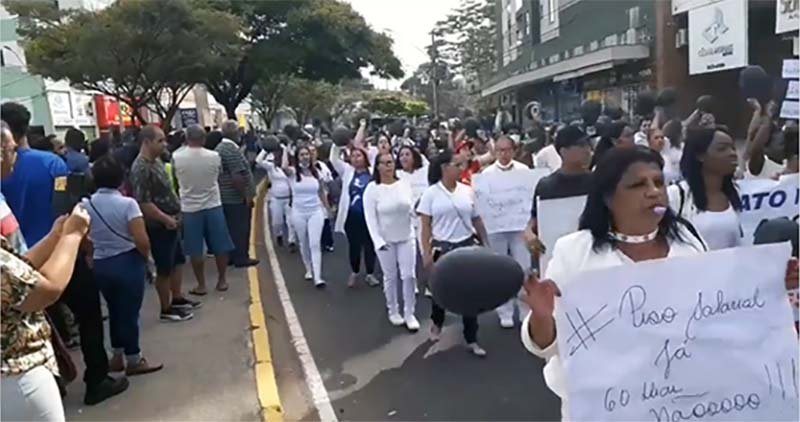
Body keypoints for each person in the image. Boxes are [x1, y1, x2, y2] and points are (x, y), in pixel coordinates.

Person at [520, 147, 713, 420]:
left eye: (659, 182)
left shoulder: (689, 241)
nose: (654, 192)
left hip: (682, 403)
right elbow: (545, 345)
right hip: (603, 408)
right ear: (608, 198)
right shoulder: (574, 252)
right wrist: (542, 315)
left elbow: (717, 311)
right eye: (638, 185)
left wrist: (775, 284)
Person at [2, 104, 126, 405]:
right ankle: (96, 378)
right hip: (55, 258)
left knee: (43, 326)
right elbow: (69, 208)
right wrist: (78, 241)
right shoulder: (50, 164)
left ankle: (54, 382)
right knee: (88, 317)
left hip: (22, 259)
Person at [84, 156, 162, 375]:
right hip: (127, 261)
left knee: (114, 310)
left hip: (101, 264)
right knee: (129, 313)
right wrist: (148, 260)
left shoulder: (85, 205)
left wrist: (91, 255)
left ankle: (117, 355)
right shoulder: (128, 204)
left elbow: (83, 237)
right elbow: (141, 239)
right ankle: (134, 358)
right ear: (121, 179)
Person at [417, 149, 490, 357]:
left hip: (466, 246)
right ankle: (437, 322)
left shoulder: (467, 190)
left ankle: (471, 337)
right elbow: (425, 226)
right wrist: (426, 252)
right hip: (443, 248)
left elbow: (476, 219)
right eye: (457, 165)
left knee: (469, 294)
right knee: (440, 292)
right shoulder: (431, 194)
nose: (461, 169)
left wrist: (485, 242)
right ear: (444, 168)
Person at [130, 125, 198, 322]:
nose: (164, 144)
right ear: (146, 142)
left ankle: (176, 298)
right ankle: (165, 307)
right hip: (159, 225)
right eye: (159, 141)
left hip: (172, 220)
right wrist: (165, 218)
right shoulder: (141, 168)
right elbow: (144, 202)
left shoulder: (157, 161)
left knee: (177, 261)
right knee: (164, 267)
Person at [172, 125, 234, 294]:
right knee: (220, 245)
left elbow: (176, 181)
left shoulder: (176, 157)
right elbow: (218, 175)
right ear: (204, 138)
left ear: (186, 137)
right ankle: (222, 280)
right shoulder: (214, 156)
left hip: (190, 207)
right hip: (213, 204)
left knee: (195, 249)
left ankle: (201, 284)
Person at [363, 152, 420, 331]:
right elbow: (370, 219)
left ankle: (409, 313)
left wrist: (417, 212)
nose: (388, 166)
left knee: (409, 276)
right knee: (390, 277)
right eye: (384, 163)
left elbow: (410, 209)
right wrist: (378, 241)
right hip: (385, 240)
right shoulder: (372, 189)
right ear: (377, 166)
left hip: (406, 236)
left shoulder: (404, 184)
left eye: (391, 163)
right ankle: (393, 310)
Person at [481, 136, 530, 328]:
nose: (503, 154)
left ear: (514, 150)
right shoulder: (486, 174)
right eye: (500, 150)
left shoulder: (524, 171)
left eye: (507, 150)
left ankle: (525, 309)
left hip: (519, 227)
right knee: (500, 270)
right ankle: (504, 311)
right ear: (495, 152)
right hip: (497, 228)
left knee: (523, 268)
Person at [668, 127, 742, 251]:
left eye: (733, 148)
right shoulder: (675, 195)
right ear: (700, 155)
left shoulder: (735, 194)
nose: (732, 153)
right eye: (722, 149)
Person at [525, 125, 593, 254]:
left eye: (588, 144)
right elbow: (534, 220)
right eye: (581, 145)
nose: (587, 150)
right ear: (563, 151)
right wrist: (529, 234)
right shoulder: (546, 186)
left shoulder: (597, 182)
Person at [330, 141, 379, 288]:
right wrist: (338, 141)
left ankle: (370, 274)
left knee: (370, 245)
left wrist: (358, 143)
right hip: (352, 216)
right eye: (353, 156)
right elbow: (333, 158)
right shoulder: (347, 171)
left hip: (370, 216)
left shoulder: (373, 172)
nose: (356, 158)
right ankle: (355, 272)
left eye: (359, 155)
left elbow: (375, 154)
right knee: (354, 246)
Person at [282, 144, 332, 287]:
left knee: (315, 243)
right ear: (297, 157)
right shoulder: (292, 173)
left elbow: (321, 191)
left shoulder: (317, 172)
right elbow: (284, 167)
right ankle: (308, 269)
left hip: (315, 211)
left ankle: (318, 276)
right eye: (302, 154)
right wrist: (285, 149)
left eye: (307, 154)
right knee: (303, 242)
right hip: (298, 212)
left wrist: (327, 208)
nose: (305, 157)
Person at [216, 120, 258, 268]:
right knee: (240, 228)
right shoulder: (230, 150)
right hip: (235, 198)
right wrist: (246, 196)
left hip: (226, 197)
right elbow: (237, 177)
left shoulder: (222, 148)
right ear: (235, 133)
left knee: (231, 229)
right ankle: (241, 257)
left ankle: (232, 256)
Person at [255, 137, 295, 249]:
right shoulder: (271, 167)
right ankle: (279, 235)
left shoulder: (292, 169)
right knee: (277, 223)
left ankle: (292, 241)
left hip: (289, 198)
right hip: (276, 198)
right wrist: (266, 149)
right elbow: (258, 160)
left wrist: (285, 149)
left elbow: (286, 165)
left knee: (291, 222)